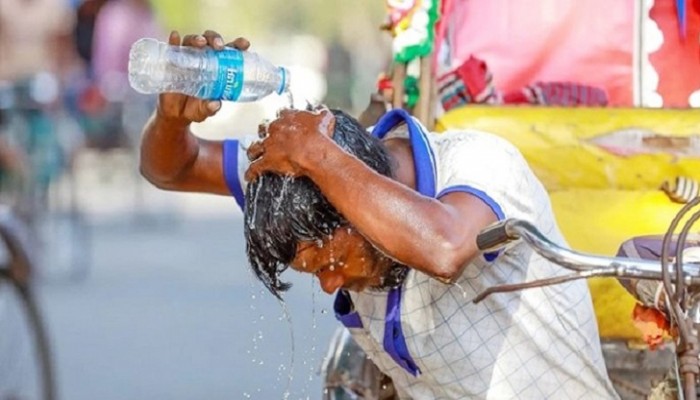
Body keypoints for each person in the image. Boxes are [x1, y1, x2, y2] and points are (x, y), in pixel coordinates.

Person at [140, 30, 620, 399]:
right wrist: (172, 119)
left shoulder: (480, 164)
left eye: (328, 263)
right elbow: (171, 168)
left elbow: (446, 248)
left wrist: (320, 157)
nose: (329, 285)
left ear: (352, 202)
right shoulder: (301, 177)